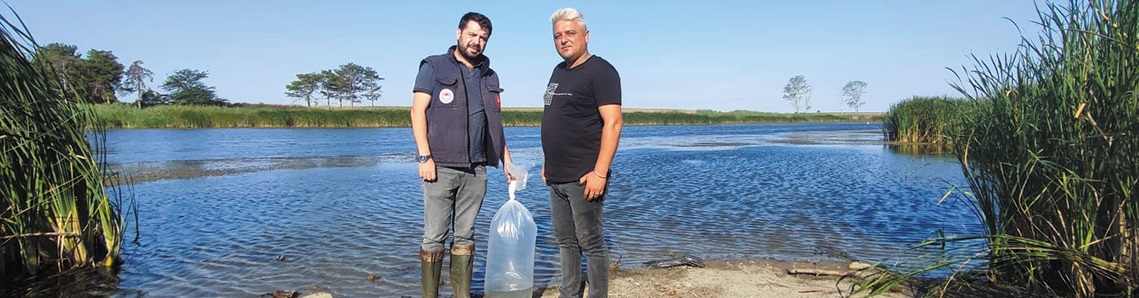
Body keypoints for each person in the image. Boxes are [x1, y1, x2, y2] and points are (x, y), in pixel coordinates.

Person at [409, 11, 514, 298]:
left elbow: (495, 123)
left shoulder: (490, 76)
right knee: (434, 237)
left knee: (465, 235)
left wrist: (507, 160)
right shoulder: (433, 66)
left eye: (483, 38)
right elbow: (417, 111)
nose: (476, 42)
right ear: (458, 33)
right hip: (439, 167)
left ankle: (461, 295)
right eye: (472, 35)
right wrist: (424, 157)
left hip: (476, 169)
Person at [541, 7, 623, 298]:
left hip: (586, 176)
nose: (563, 39)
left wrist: (600, 172)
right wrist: (547, 163)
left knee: (591, 240)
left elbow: (613, 124)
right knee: (565, 240)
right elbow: (558, 120)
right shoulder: (558, 71)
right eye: (558, 35)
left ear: (586, 36)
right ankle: (570, 293)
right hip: (556, 176)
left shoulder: (601, 71)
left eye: (570, 33)